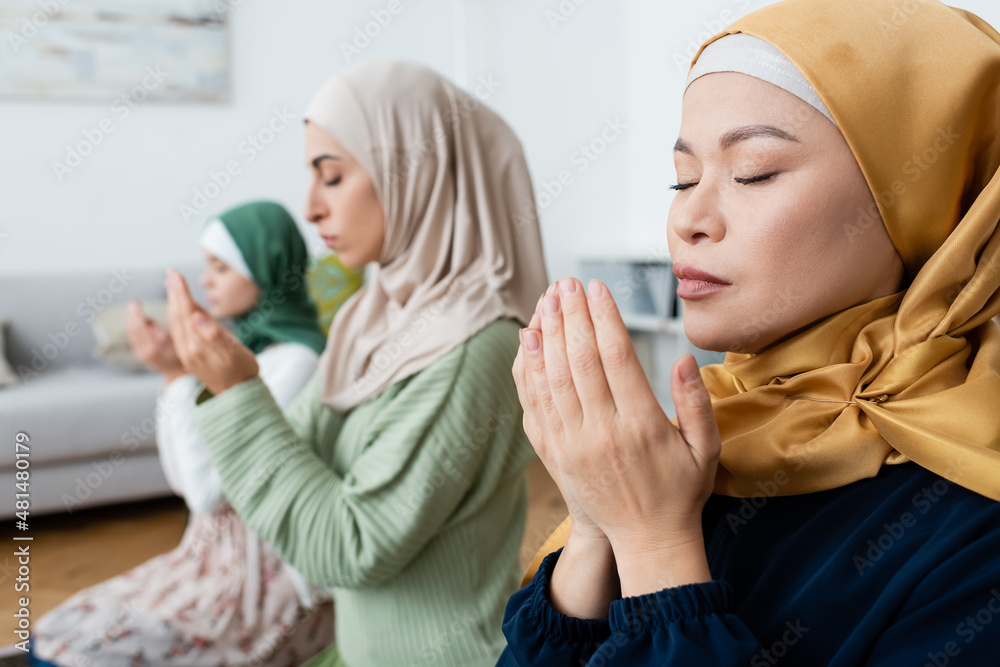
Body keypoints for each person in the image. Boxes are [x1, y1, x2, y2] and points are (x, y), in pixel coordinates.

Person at [498, 1, 1000, 664]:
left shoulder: (976, 522)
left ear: (927, 198)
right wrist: (598, 523)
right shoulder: (703, 433)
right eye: (682, 177)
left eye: (752, 171)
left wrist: (655, 543)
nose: (688, 218)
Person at [162, 60, 550, 667]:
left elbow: (350, 545)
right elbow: (296, 459)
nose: (310, 208)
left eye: (333, 177)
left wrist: (237, 389)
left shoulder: (476, 345)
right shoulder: (367, 316)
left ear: (416, 173)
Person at [29, 201, 337, 666]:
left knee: (75, 655)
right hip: (205, 550)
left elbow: (208, 494)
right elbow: (183, 481)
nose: (206, 279)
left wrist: (178, 375)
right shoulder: (247, 350)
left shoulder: (297, 362)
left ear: (266, 266)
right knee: (53, 633)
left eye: (221, 266)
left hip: (256, 570)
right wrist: (172, 376)